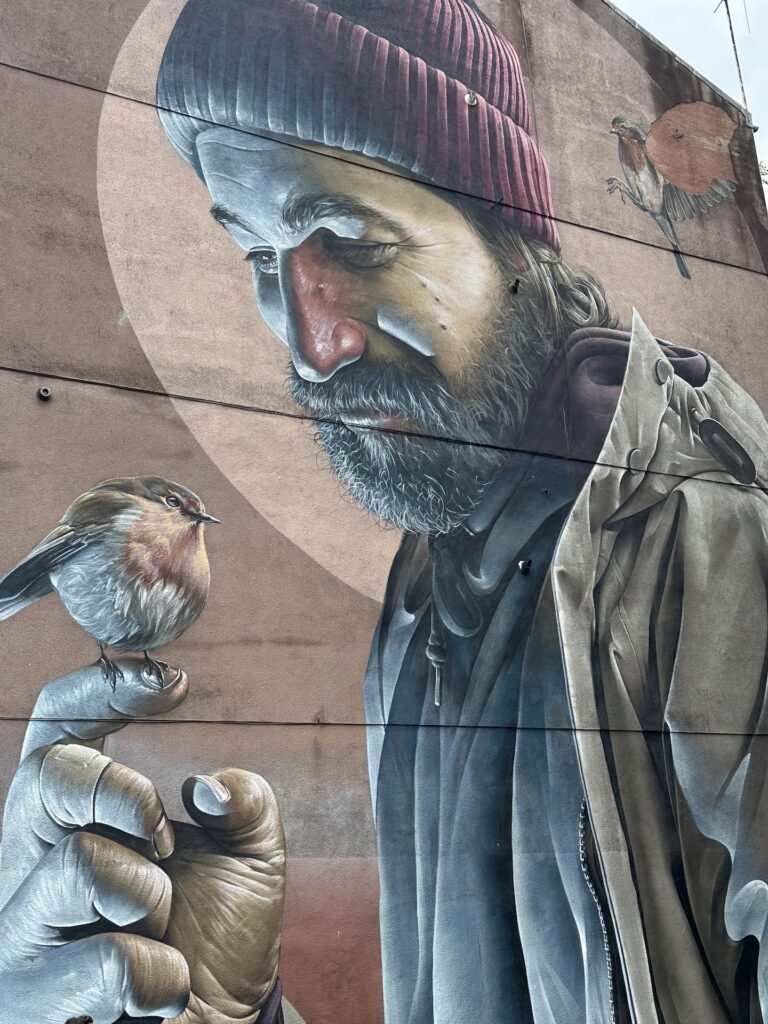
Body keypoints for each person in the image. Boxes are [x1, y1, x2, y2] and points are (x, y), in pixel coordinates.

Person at [2, 0, 767, 1022]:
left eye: (349, 239)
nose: (311, 345)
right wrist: (225, 1006)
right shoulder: (428, 595)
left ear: (512, 239)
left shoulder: (712, 546)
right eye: (261, 258)